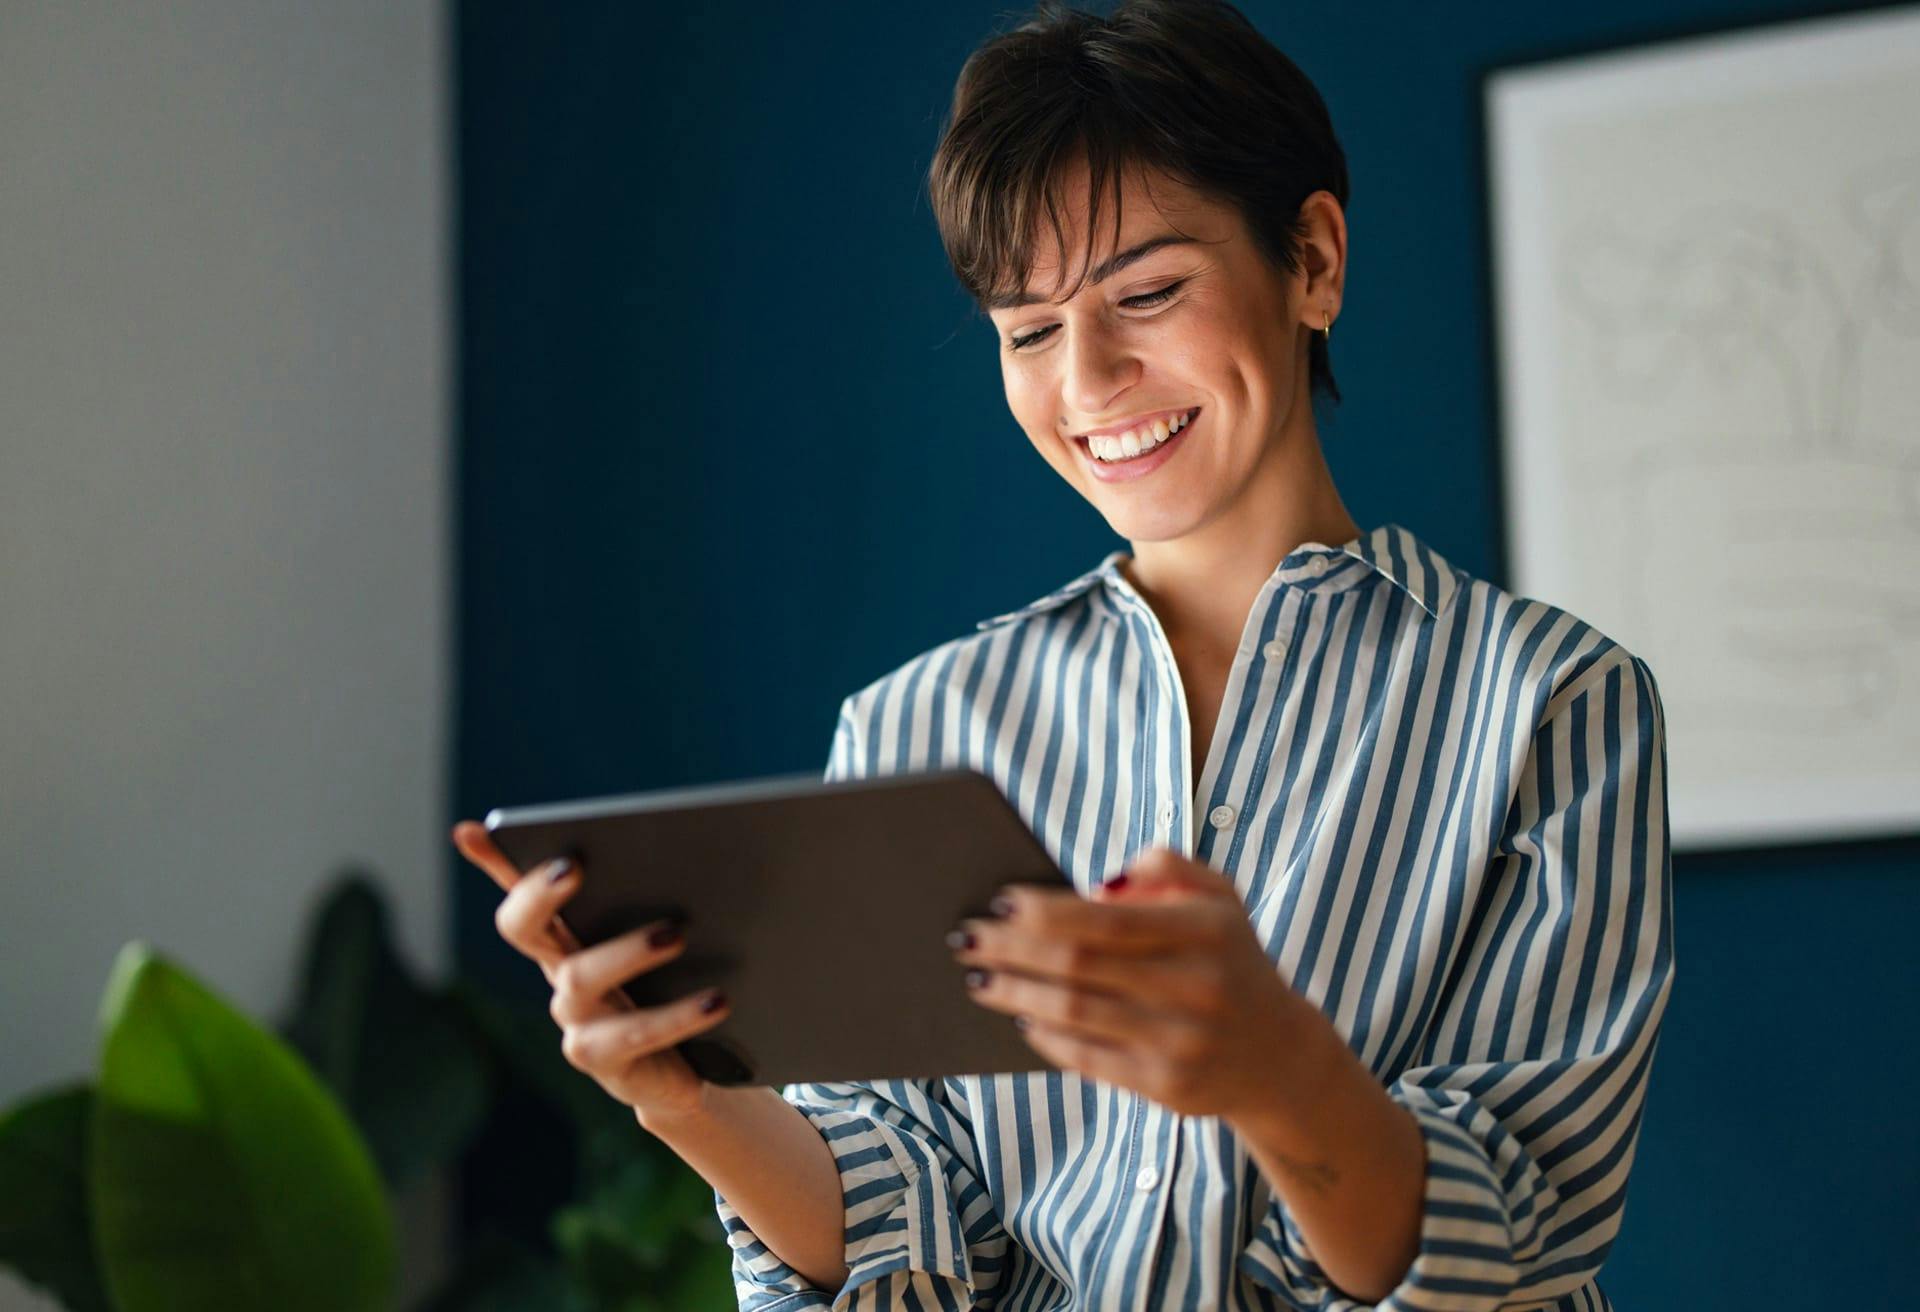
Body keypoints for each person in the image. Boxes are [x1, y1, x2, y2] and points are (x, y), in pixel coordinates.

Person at [451, 0, 1676, 1308]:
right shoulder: (916, 727)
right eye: (1028, 330)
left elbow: (1515, 1247)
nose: (1087, 380)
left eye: (1147, 293)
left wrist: (1279, 1073)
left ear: (1313, 261)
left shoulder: (1554, 704)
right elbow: (906, 1221)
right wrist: (684, 1099)